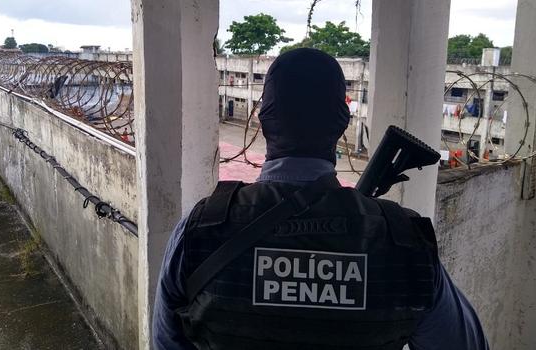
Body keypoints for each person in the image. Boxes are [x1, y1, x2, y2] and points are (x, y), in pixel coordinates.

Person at [153, 48, 489, 350]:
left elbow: (167, 343)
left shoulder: (199, 232)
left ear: (262, 120)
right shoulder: (405, 244)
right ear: (343, 123)